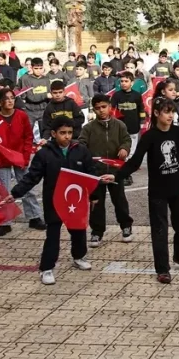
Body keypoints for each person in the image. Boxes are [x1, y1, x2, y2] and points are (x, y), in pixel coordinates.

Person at [7, 117, 114, 284]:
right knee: (53, 234)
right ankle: (46, 268)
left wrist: (93, 196)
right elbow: (32, 177)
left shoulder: (81, 150)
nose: (67, 136)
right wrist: (15, 193)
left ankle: (78, 256)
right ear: (53, 133)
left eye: (70, 132)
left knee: (78, 230)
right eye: (63, 133)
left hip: (76, 200)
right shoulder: (44, 154)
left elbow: (90, 174)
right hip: (54, 200)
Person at [116, 100, 179, 283]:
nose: (170, 116)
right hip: (158, 191)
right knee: (159, 230)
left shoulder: (178, 132)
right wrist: (116, 176)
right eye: (166, 112)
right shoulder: (149, 136)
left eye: (172, 112)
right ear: (156, 113)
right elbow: (135, 161)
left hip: (178, 189)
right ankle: (162, 268)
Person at [0, 88, 46, 236]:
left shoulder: (21, 115)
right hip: (3, 160)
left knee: (27, 186)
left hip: (20, 156)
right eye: (6, 99)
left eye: (12, 98)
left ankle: (34, 216)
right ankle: (5, 222)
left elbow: (28, 137)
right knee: (3, 190)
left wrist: (25, 156)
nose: (10, 101)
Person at [79, 94, 134, 247]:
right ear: (93, 110)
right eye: (98, 108)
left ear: (110, 107)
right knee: (96, 203)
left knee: (120, 201)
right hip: (96, 173)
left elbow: (127, 139)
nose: (101, 110)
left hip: (116, 171)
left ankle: (126, 226)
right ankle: (97, 231)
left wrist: (124, 148)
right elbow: (81, 144)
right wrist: (84, 155)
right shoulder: (88, 128)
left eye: (104, 107)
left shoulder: (119, 125)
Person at [111, 71, 146, 155]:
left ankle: (131, 158)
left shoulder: (137, 95)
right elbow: (111, 109)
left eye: (126, 81)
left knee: (133, 143)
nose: (123, 83)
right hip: (120, 124)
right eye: (122, 81)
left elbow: (141, 108)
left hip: (134, 124)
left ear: (132, 83)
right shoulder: (116, 95)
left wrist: (142, 120)